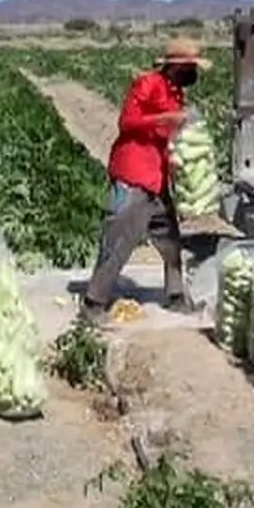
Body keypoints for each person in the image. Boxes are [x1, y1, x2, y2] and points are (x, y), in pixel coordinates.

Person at [80, 37, 212, 324]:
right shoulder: (148, 84)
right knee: (119, 239)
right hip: (134, 174)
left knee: (171, 241)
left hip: (158, 177)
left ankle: (177, 297)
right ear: (178, 66)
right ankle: (94, 303)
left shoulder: (176, 93)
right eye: (192, 67)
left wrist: (178, 157)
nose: (195, 74)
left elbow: (167, 135)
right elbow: (126, 123)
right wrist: (164, 117)